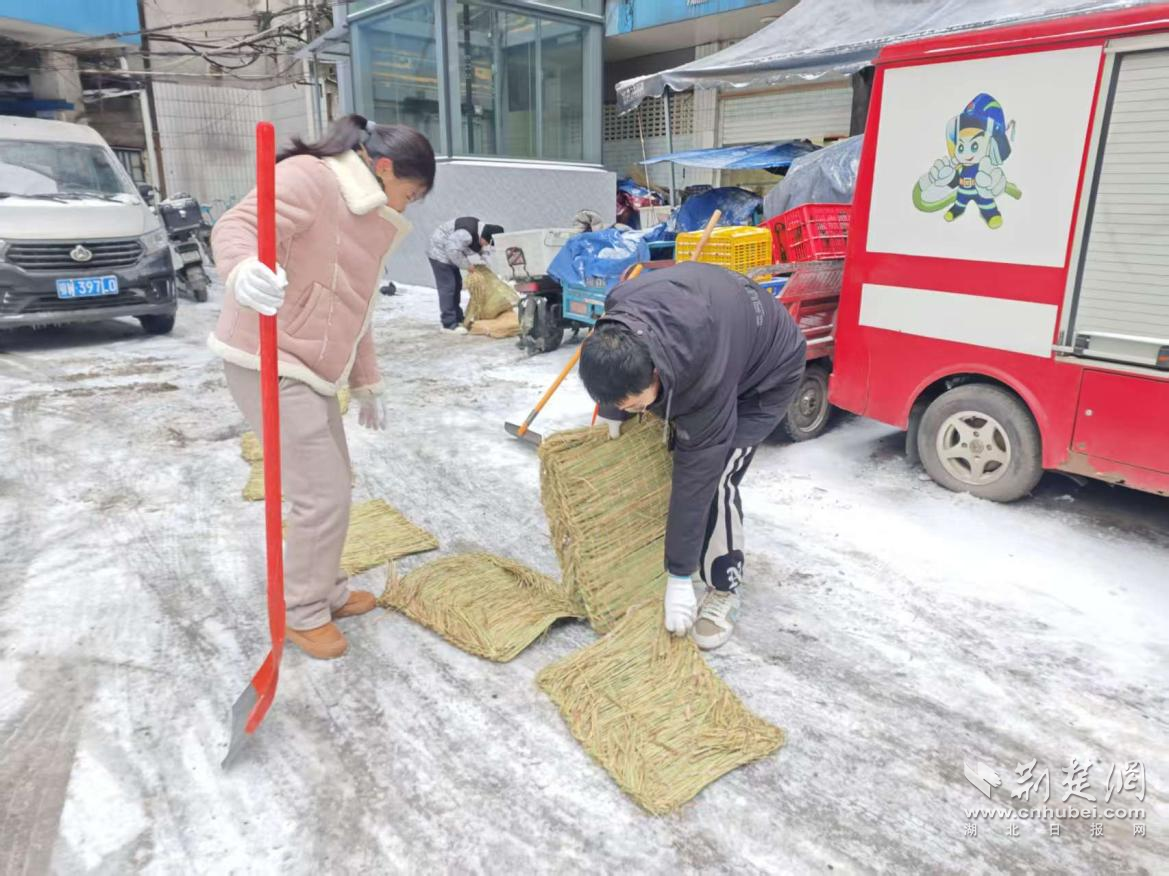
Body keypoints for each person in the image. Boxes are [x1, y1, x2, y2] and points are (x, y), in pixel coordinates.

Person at [210, 114, 435, 660]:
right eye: (409, 194)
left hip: (310, 366)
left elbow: (355, 310)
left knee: (333, 484)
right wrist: (243, 269)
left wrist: (366, 381)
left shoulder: (363, 214)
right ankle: (303, 611)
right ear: (384, 168)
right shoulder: (312, 177)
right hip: (268, 356)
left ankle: (327, 590)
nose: (406, 208)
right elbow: (237, 226)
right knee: (322, 494)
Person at [579, 261, 807, 650]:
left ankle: (723, 586)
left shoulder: (704, 377)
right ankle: (689, 553)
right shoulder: (619, 312)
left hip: (767, 371)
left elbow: (695, 476)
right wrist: (614, 410)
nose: (631, 409)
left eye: (634, 402)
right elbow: (613, 369)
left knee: (717, 478)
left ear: (656, 372)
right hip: (723, 320)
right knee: (677, 450)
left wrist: (679, 575)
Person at [426, 217, 504, 333]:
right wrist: (467, 265)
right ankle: (449, 324)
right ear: (485, 237)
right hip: (439, 253)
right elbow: (452, 250)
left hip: (450, 254)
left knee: (457, 284)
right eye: (487, 243)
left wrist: (485, 266)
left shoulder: (481, 232)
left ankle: (458, 318)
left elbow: (478, 251)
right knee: (448, 287)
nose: (486, 245)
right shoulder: (466, 234)